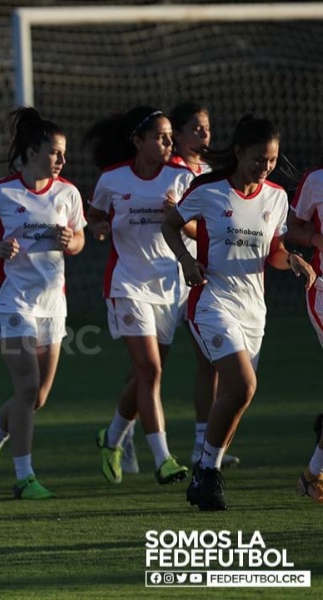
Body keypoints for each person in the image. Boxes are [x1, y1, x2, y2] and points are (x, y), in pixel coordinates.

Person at [162, 115, 314, 511]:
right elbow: (170, 224)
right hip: (212, 303)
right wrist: (185, 261)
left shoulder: (277, 197)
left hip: (253, 311)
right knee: (244, 386)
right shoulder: (208, 189)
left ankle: (204, 472)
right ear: (239, 152)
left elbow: (274, 253)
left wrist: (293, 261)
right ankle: (208, 472)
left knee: (236, 397)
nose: (264, 167)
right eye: (259, 158)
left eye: (271, 160)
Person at [0, 108, 85, 499]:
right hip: (12, 302)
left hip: (52, 305)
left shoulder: (68, 193)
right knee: (27, 386)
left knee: (37, 397)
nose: (62, 160)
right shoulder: (2, 192)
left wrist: (72, 242)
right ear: (31, 152)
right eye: (54, 152)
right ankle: (24, 477)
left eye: (63, 153)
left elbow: (79, 239)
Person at [85, 106, 195, 486]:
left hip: (169, 286)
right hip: (127, 284)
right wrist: (98, 227)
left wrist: (181, 216)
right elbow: (94, 215)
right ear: (138, 141)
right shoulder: (112, 179)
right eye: (160, 137)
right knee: (150, 370)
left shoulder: (183, 177)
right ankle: (163, 459)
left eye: (170, 137)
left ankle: (111, 437)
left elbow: (199, 229)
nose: (169, 143)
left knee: (145, 375)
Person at [168, 103, 241, 469]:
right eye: (195, 128)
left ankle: (204, 444)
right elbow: (174, 222)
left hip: (204, 278)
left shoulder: (213, 173)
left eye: (207, 128)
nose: (204, 135)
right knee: (148, 369)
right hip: (169, 277)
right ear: (176, 135)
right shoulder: (171, 174)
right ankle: (119, 435)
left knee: (210, 363)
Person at [285, 157, 323, 502]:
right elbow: (291, 228)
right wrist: (315, 238)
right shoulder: (316, 180)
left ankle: (312, 474)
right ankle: (312, 476)